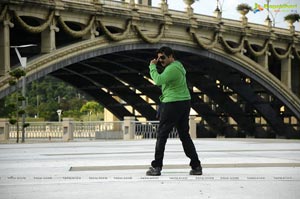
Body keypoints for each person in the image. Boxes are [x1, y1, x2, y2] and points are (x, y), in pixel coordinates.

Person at [146, 46, 202, 176]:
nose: (160, 60)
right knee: (184, 135)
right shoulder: (178, 66)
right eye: (159, 58)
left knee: (162, 135)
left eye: (163, 57)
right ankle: (196, 166)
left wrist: (152, 67)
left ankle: (157, 166)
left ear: (171, 56)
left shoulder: (172, 69)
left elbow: (158, 80)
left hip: (172, 103)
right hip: (184, 102)